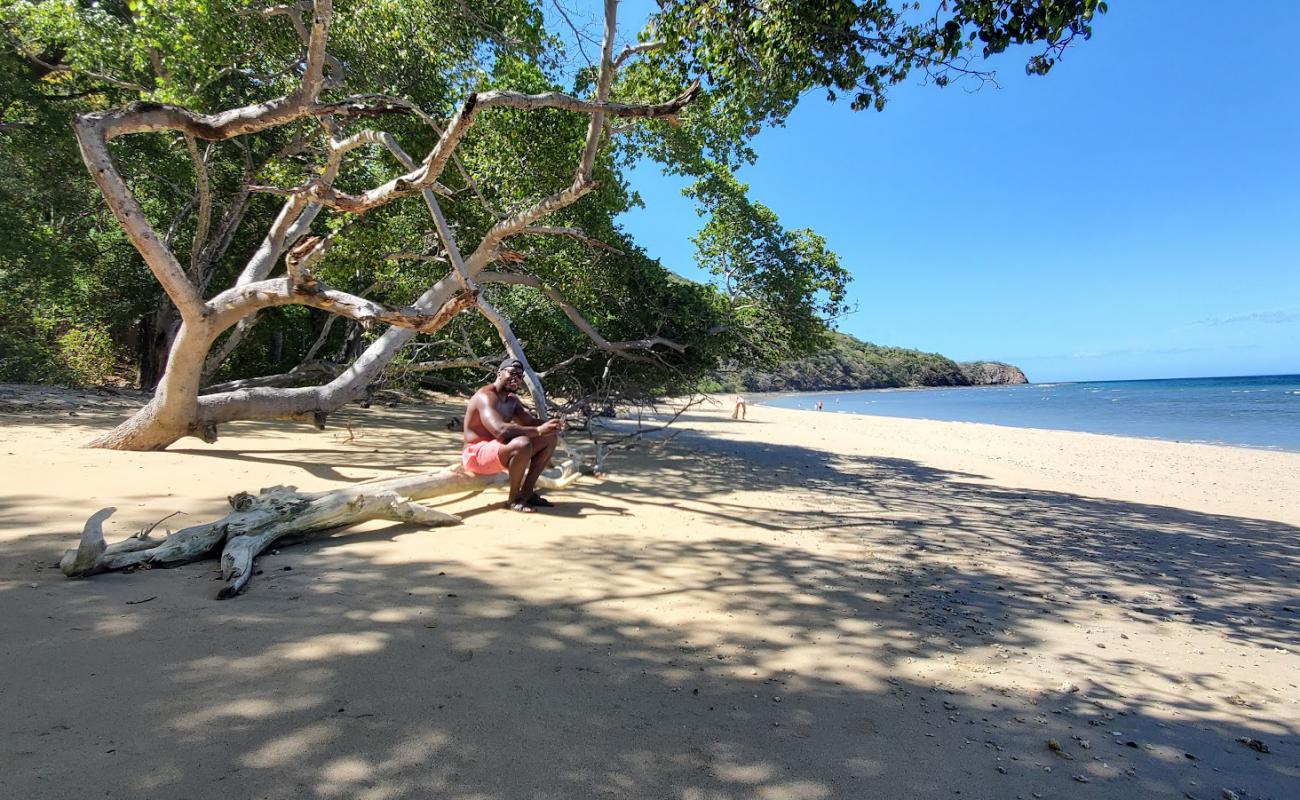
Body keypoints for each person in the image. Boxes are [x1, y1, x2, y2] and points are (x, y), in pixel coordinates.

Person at [462, 357, 565, 512]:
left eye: (520, 376)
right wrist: (538, 431)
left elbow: (529, 422)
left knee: (549, 438)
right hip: (475, 455)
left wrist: (551, 425)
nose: (517, 378)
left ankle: (527, 493)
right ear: (499, 373)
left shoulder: (512, 400)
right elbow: (501, 431)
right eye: (513, 373)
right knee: (522, 443)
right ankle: (514, 499)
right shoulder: (485, 396)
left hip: (496, 452)